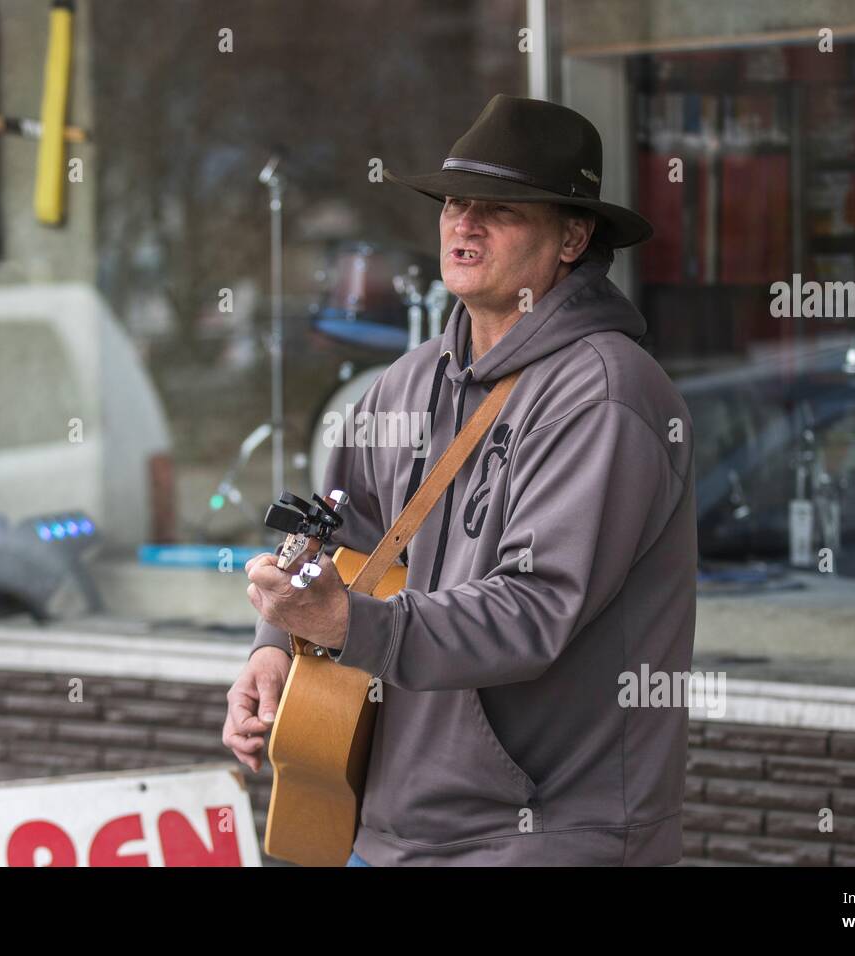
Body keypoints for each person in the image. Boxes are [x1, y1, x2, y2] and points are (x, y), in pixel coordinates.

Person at [223, 94, 697, 866]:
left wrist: (347, 625)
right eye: (454, 203)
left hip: (547, 838)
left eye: (500, 210)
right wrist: (275, 645)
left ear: (573, 236)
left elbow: (535, 609)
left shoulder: (607, 395)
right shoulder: (403, 384)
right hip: (382, 824)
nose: (463, 224)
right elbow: (345, 540)